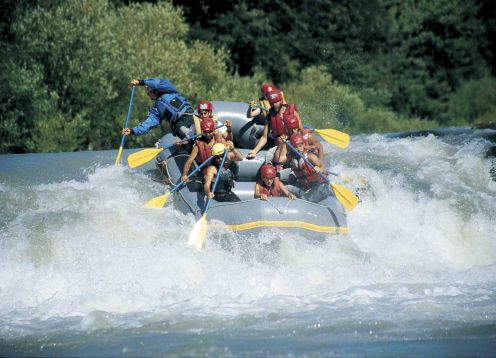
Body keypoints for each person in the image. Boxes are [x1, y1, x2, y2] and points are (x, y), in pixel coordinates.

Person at [121, 78, 194, 140]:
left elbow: (157, 83)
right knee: (187, 140)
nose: (149, 96)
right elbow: (147, 124)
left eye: (149, 93)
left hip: (189, 116)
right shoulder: (156, 110)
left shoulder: (170, 90)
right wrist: (132, 131)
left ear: (153, 90)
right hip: (179, 126)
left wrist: (141, 82)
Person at [246, 89, 304, 164]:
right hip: (280, 145)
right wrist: (254, 151)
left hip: (294, 143)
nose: (274, 104)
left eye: (276, 102)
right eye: (272, 103)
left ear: (281, 101)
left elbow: (301, 129)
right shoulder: (270, 116)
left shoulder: (291, 111)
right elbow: (264, 137)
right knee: (269, 155)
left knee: (283, 158)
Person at [275, 133, 332, 203]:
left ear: (303, 145)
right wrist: (284, 143)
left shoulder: (310, 156)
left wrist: (319, 169)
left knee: (305, 200)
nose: (298, 149)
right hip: (306, 186)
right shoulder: (292, 157)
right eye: (295, 147)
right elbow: (280, 159)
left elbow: (323, 165)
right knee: (287, 189)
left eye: (300, 146)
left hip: (320, 185)